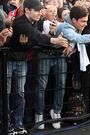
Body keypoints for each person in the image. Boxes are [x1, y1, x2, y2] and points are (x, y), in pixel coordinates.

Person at [6, 0, 68, 134]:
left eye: (41, 10)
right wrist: (53, 40)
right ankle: (8, 125)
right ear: (27, 10)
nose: (41, 13)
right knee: (7, 93)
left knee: (20, 94)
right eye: (37, 10)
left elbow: (34, 40)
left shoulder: (35, 22)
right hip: (9, 61)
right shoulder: (20, 22)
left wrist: (48, 37)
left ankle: (19, 124)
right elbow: (36, 36)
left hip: (22, 60)